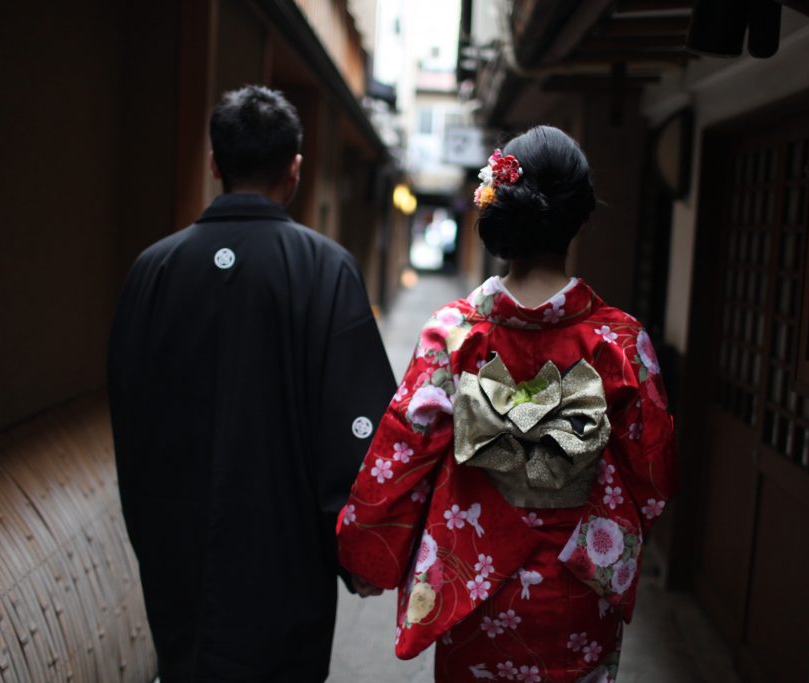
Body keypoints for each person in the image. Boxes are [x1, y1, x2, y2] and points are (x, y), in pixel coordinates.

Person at [337, 126, 677, 683]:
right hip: (578, 586)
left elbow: (399, 456)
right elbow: (656, 478)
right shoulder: (619, 343)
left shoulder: (454, 333)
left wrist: (367, 552)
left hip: (472, 586)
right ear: (581, 219)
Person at [108, 85, 395, 682]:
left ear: (215, 164)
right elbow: (358, 424)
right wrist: (362, 549)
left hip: (178, 552)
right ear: (294, 169)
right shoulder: (325, 268)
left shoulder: (153, 269)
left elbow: (127, 409)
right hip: (283, 561)